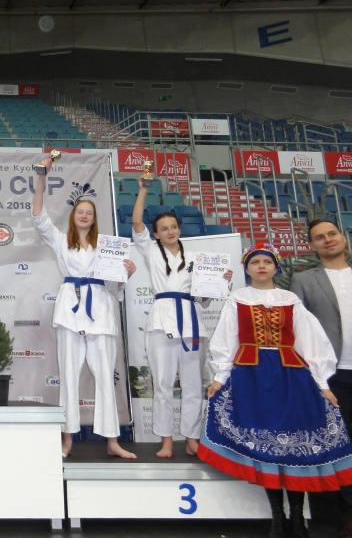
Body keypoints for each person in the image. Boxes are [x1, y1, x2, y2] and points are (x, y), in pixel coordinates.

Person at [199, 242, 352, 538]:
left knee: (292, 446)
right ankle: (278, 517)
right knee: (265, 447)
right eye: (255, 262)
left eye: (267, 262)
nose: (261, 266)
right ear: (247, 268)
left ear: (275, 267)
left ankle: (297, 517)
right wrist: (220, 377)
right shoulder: (237, 299)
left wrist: (322, 383)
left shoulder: (290, 300)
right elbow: (227, 339)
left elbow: (310, 341)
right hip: (251, 377)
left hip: (290, 377)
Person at [32, 156, 137, 459]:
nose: (84, 215)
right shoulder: (60, 240)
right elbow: (38, 216)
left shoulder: (106, 246)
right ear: (73, 215)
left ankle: (113, 441)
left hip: (100, 310)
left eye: (89, 212)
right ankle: (67, 439)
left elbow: (114, 285)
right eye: (80, 211)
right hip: (70, 311)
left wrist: (126, 274)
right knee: (68, 376)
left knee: (105, 376)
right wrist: (41, 177)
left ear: (94, 218)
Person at [131, 173, 232, 458]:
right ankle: (166, 440)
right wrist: (143, 190)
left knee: (192, 385)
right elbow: (137, 222)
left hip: (191, 321)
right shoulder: (151, 251)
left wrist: (219, 281)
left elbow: (203, 297)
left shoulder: (196, 259)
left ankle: (191, 437)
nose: (170, 231)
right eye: (163, 228)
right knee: (163, 385)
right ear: (156, 234)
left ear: (179, 229)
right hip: (161, 321)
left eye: (173, 226)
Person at [290, 219, 352, 538]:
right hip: (330, 377)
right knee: (337, 446)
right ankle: (343, 516)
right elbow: (296, 331)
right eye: (319, 237)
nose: (327, 240)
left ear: (343, 238)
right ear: (312, 246)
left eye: (331, 234)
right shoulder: (302, 280)